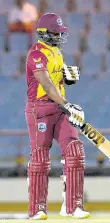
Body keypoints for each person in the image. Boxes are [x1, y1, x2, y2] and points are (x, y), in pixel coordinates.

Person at [25, 13, 90, 220]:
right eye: (56, 33)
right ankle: (37, 209)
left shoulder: (56, 53)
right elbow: (46, 85)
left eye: (61, 33)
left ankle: (73, 206)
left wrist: (67, 77)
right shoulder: (36, 54)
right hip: (40, 109)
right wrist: (68, 105)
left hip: (59, 107)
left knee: (75, 151)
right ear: (44, 33)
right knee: (40, 159)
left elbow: (57, 80)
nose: (60, 37)